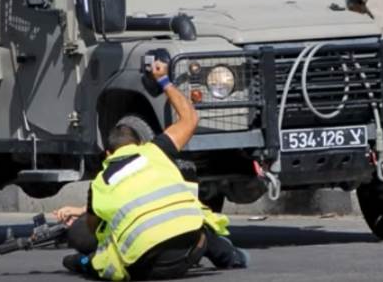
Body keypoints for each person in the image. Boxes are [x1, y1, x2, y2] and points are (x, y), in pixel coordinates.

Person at [54, 56, 249, 280]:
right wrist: (164, 80)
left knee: (102, 254)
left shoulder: (100, 183)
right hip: (192, 250)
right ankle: (233, 258)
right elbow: (190, 118)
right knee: (199, 222)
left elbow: (96, 227)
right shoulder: (155, 151)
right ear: (140, 144)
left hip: (146, 268)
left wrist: (82, 215)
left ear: (108, 154)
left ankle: (82, 263)